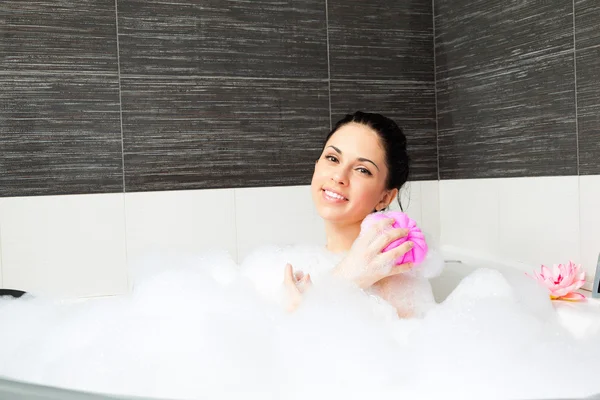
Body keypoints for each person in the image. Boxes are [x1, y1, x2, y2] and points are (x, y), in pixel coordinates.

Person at [282, 111, 436, 317]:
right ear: (316, 165)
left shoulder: (393, 285)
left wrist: (342, 283)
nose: (339, 176)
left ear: (385, 198)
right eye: (332, 158)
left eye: (362, 170)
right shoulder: (298, 267)